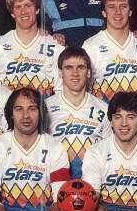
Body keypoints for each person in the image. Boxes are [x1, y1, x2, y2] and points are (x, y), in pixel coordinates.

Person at [82, 0, 137, 102]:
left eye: (123, 6)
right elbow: (84, 94)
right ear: (103, 12)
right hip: (101, 113)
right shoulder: (90, 46)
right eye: (111, 7)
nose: (118, 12)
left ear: (130, 11)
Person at [47, 46, 110, 179]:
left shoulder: (104, 109)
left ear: (88, 73)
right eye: (68, 68)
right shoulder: (46, 108)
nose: (75, 73)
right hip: (56, 181)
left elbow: (109, 153)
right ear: (60, 73)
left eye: (80, 68)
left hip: (93, 181)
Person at [0, 0, 61, 96]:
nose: (23, 12)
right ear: (12, 13)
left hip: (44, 106)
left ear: (37, 9)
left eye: (27, 5)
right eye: (18, 7)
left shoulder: (55, 46)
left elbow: (60, 92)